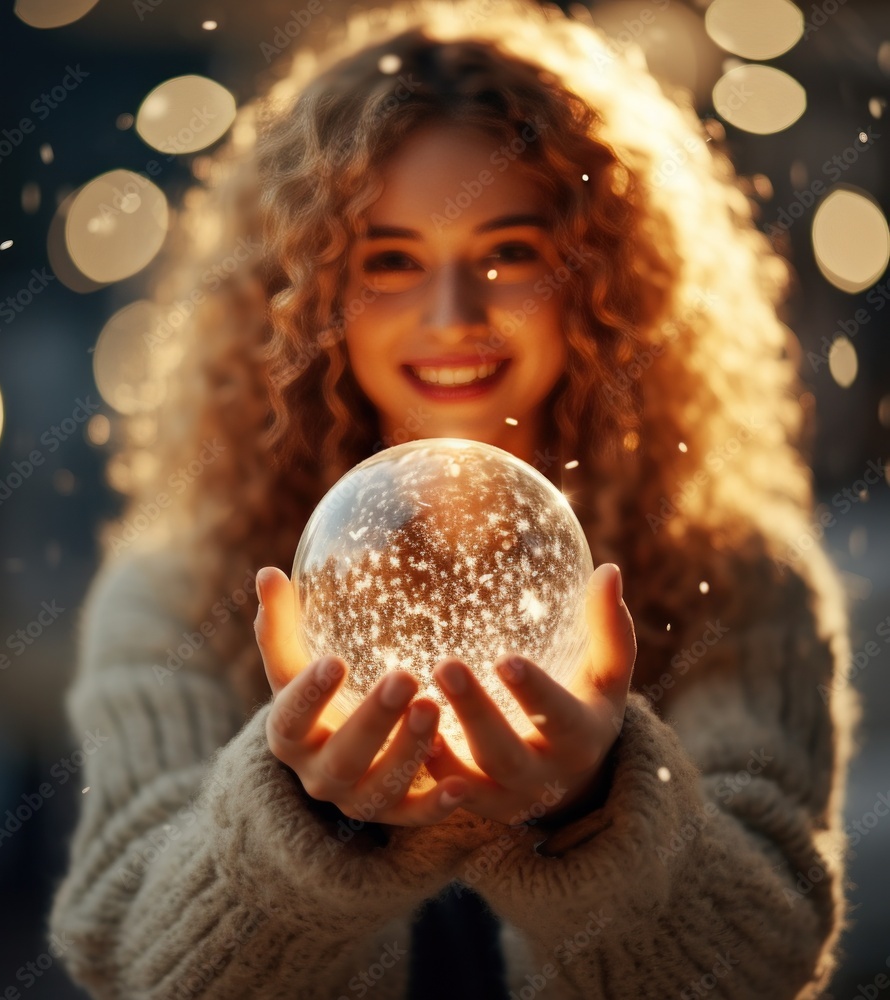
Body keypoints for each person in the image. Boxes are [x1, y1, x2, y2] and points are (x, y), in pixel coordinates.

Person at [49, 1, 856, 997]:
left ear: (599, 274)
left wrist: (596, 806)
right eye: (389, 261)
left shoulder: (732, 579)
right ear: (302, 295)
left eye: (507, 251)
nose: (453, 316)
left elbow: (766, 951)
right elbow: (133, 958)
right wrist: (306, 823)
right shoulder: (179, 593)